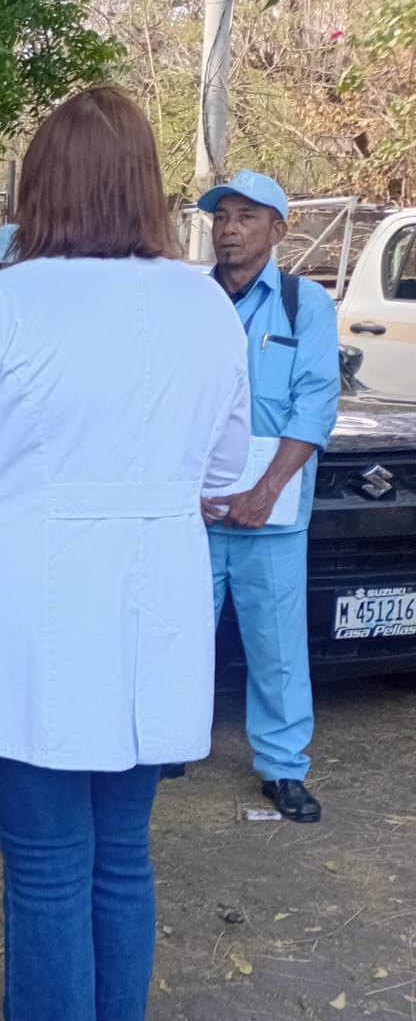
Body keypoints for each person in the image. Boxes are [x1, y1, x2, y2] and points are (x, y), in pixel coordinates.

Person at [0, 87, 251, 1021]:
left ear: (37, 185)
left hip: (31, 621)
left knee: (49, 874)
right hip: (150, 621)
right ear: (146, 187)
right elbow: (224, 463)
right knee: (119, 869)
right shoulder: (203, 304)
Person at [197, 169, 338, 822]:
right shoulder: (188, 303)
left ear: (278, 230)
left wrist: (267, 488)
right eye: (222, 216)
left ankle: (283, 767)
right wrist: (178, 489)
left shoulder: (302, 304)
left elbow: (315, 403)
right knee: (179, 633)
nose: (229, 228)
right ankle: (171, 743)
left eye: (247, 217)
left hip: (271, 513)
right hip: (193, 512)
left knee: (278, 647)